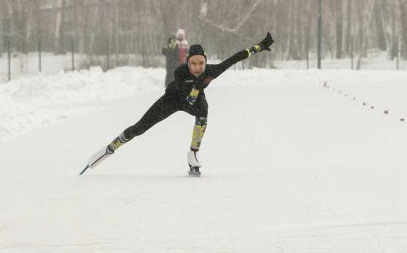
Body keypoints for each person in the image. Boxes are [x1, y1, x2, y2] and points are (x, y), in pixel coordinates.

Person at [82, 32, 274, 177]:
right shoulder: (180, 72)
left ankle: (193, 154)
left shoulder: (211, 70)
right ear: (188, 63)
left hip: (194, 100)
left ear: (205, 62)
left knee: (203, 111)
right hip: (172, 100)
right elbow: (186, 97)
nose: (197, 68)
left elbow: (236, 57)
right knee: (140, 128)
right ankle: (109, 149)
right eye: (193, 64)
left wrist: (260, 46)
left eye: (201, 63)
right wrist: (197, 87)